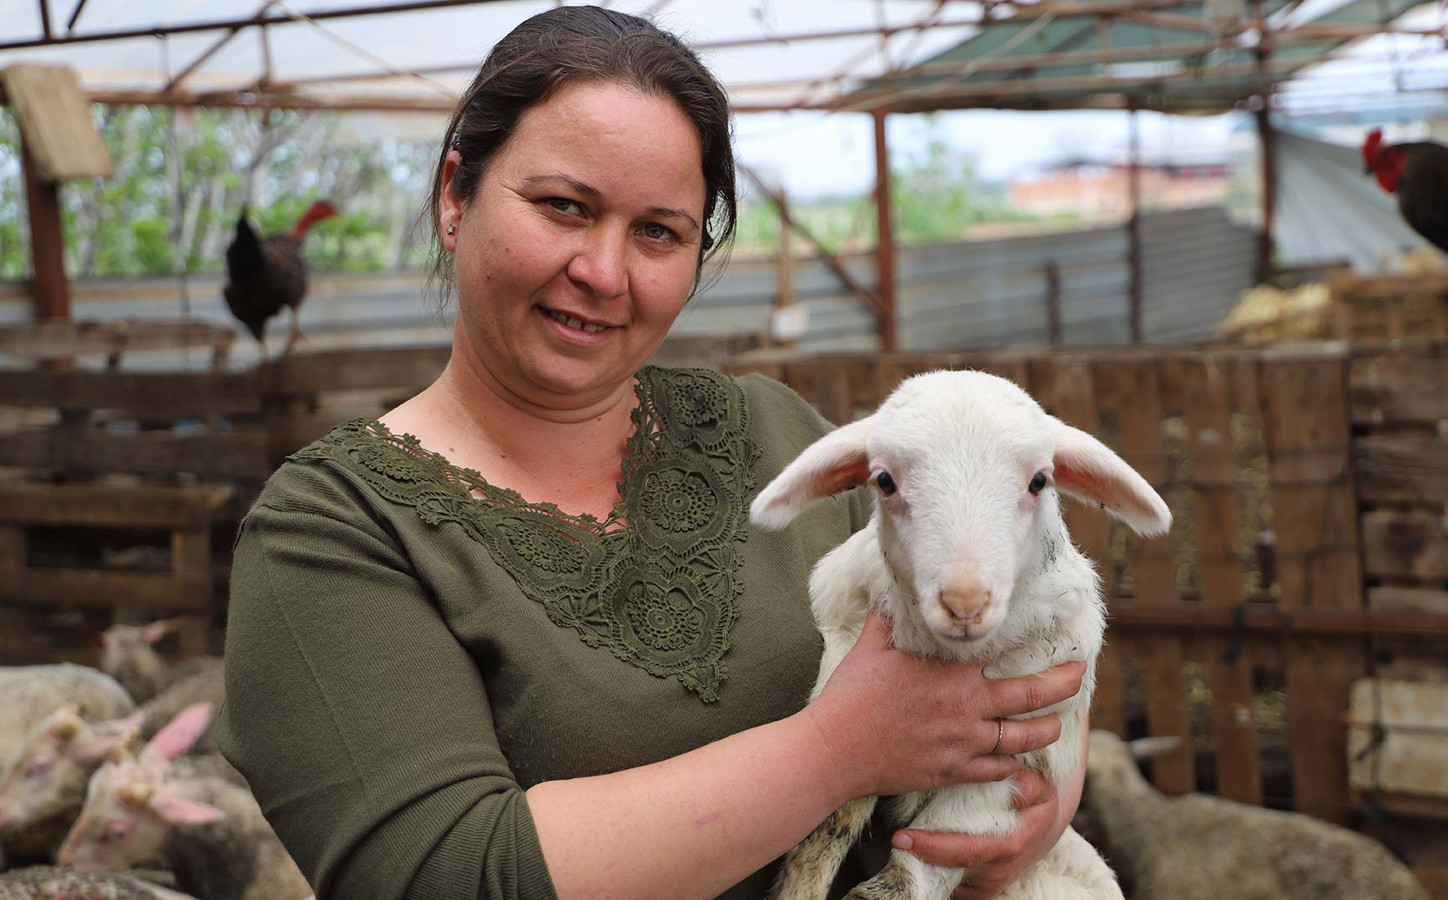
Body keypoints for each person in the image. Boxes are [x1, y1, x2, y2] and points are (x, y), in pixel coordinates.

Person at [216, 7, 1088, 900]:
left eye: (658, 232)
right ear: (454, 196)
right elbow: (441, 876)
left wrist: (1024, 820)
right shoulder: (328, 534)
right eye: (564, 207)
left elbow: (1029, 644)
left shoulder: (779, 434)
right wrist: (838, 749)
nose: (604, 271)